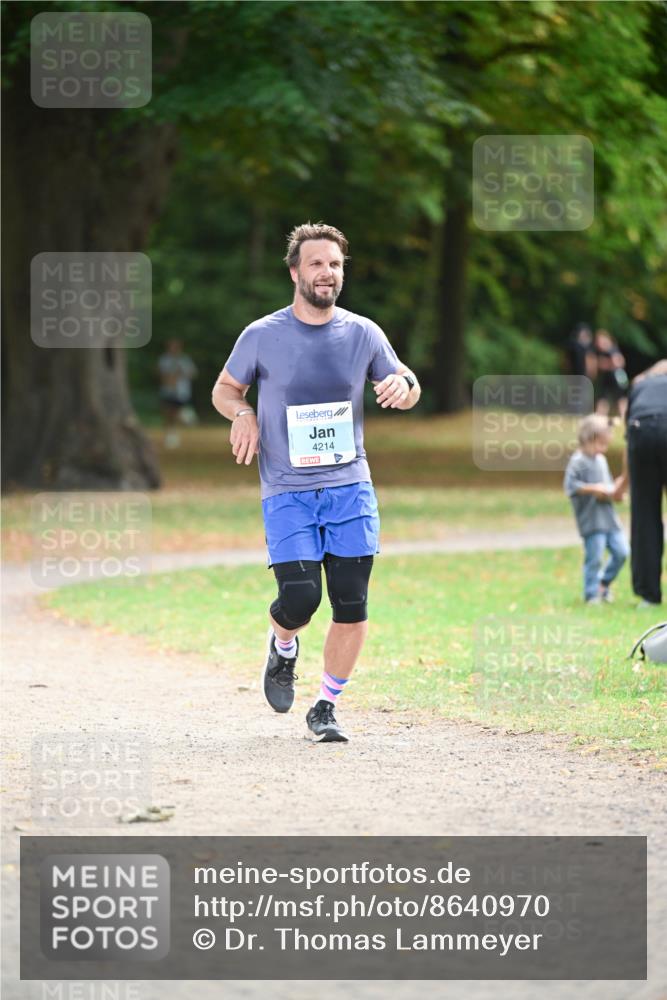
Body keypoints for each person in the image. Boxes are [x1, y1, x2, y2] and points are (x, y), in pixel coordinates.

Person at [211, 222, 421, 742]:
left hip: (350, 488)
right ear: (294, 272)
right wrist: (242, 413)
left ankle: (326, 705)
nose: (327, 273)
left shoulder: (364, 333)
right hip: (288, 490)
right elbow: (224, 389)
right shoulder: (262, 335)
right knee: (301, 598)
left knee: (351, 603)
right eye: (317, 264)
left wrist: (404, 384)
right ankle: (283, 647)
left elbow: (407, 382)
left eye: (335, 264)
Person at [563, 414, 629, 604]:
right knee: (595, 557)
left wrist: (614, 492)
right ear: (588, 439)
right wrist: (594, 489)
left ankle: (603, 583)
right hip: (592, 522)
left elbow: (607, 485)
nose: (603, 449)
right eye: (601, 444)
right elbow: (570, 486)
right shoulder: (578, 462)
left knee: (622, 552)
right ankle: (591, 593)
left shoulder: (600, 460)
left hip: (609, 519)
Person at [618, 360, 667, 606]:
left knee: (645, 514)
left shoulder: (641, 385)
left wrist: (623, 484)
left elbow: (629, 443)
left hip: (642, 432)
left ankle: (648, 595)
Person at [158, 339, 198, 448]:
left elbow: (192, 373)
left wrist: (181, 375)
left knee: (175, 412)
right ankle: (171, 435)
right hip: (168, 391)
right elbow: (162, 375)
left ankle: (183, 422)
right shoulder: (164, 360)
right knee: (168, 413)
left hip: (181, 391)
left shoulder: (184, 360)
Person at [594, 329, 629, 419]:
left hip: (616, 376)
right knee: (603, 398)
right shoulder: (600, 351)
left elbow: (619, 362)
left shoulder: (612, 349)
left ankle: (623, 417)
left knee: (620, 398)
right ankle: (599, 417)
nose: (599, 343)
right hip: (607, 377)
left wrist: (606, 364)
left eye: (601, 340)